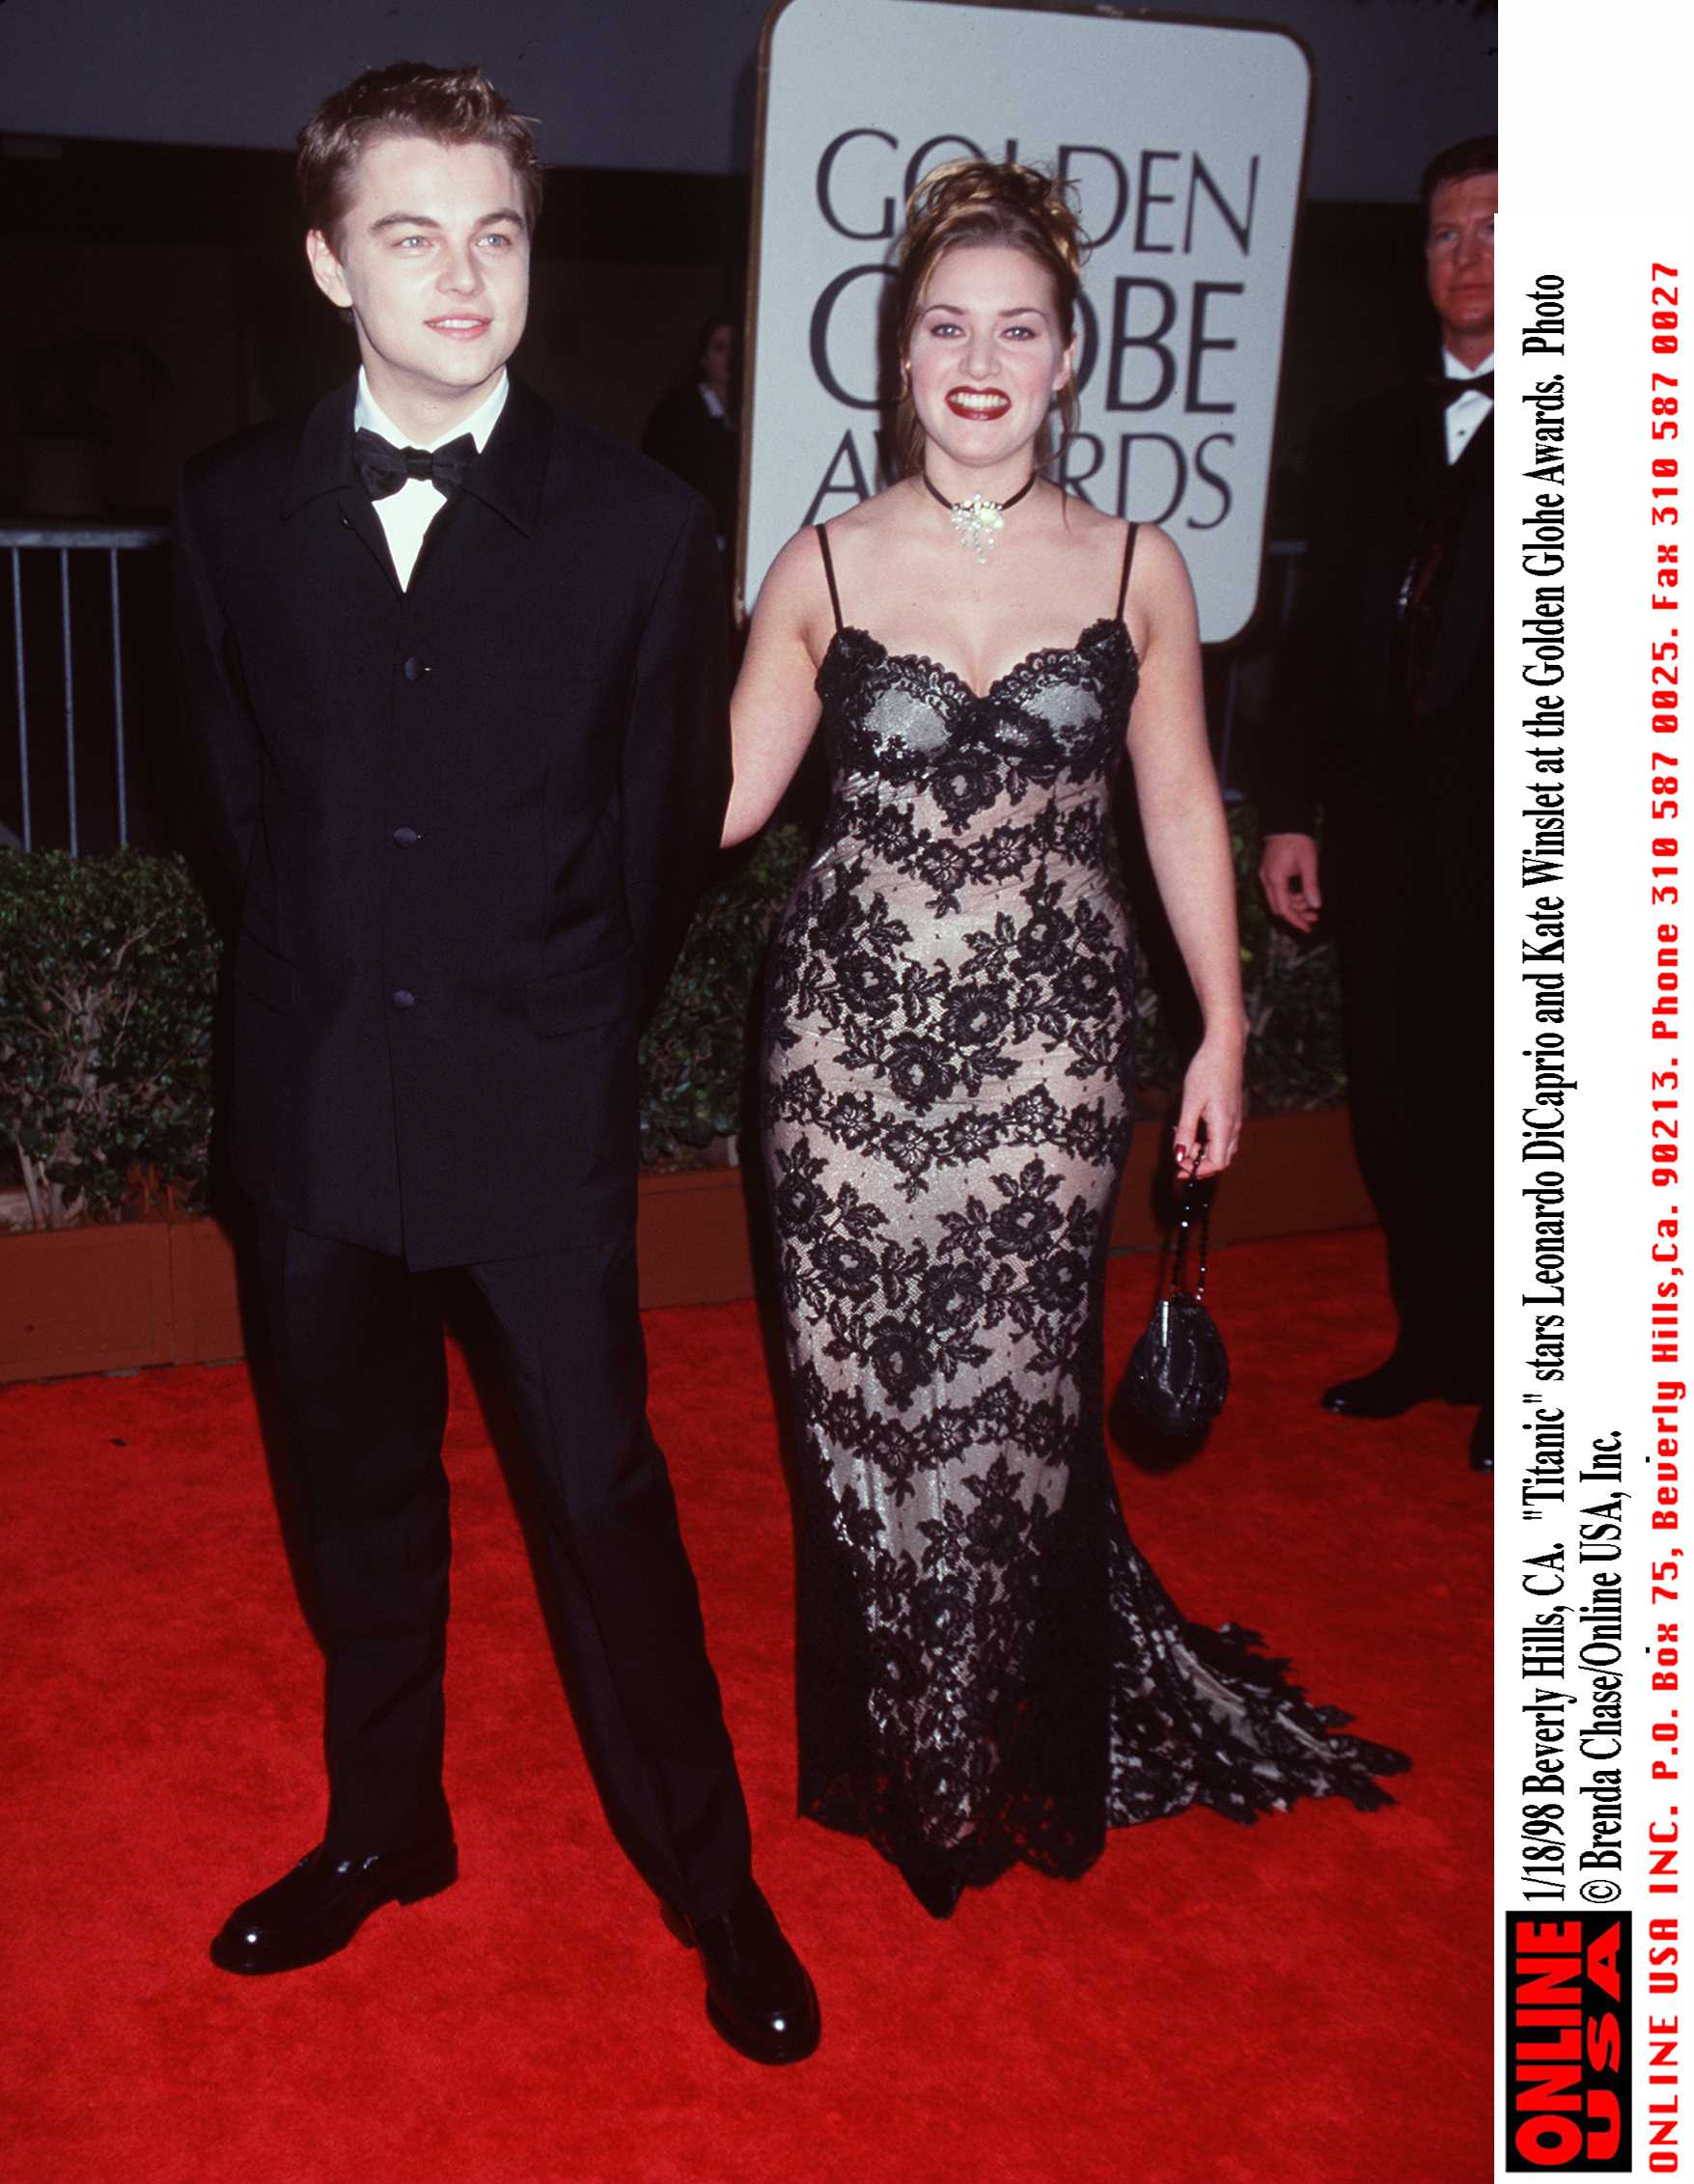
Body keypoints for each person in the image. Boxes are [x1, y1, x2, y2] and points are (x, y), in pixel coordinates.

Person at [172, 62, 818, 2065]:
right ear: (325, 261)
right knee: (353, 1503)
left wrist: (544, 1031)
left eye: (498, 233)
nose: (462, 276)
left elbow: (657, 847)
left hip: (536, 1118)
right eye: (410, 233)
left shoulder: (640, 528)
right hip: (309, 1115)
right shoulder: (220, 515)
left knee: (603, 1504)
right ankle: (388, 1831)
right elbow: (231, 823)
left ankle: (708, 1883)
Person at [725, 159, 1408, 1917]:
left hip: (1048, 1043)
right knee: (858, 1402)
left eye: (1016, 329)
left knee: (1011, 1391)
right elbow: (723, 799)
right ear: (897, 356)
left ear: (1068, 357)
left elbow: (1180, 799)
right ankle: (907, 1747)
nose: (979, 357)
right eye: (946, 325)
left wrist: (1225, 1023)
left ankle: (994, 1755)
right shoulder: (818, 561)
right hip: (841, 1050)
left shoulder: (1133, 562)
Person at [1257, 139, 1495, 1473]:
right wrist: (1288, 811)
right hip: (1382, 833)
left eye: (1492, 229)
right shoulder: (1358, 438)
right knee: (1396, 1102)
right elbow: (1306, 653)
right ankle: (1436, 1344)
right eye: (1441, 234)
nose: (1463, 258)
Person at [641, 317, 739, 567]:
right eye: (719, 348)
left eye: (734, 348)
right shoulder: (679, 413)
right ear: (703, 357)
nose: (728, 357)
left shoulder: (743, 413)